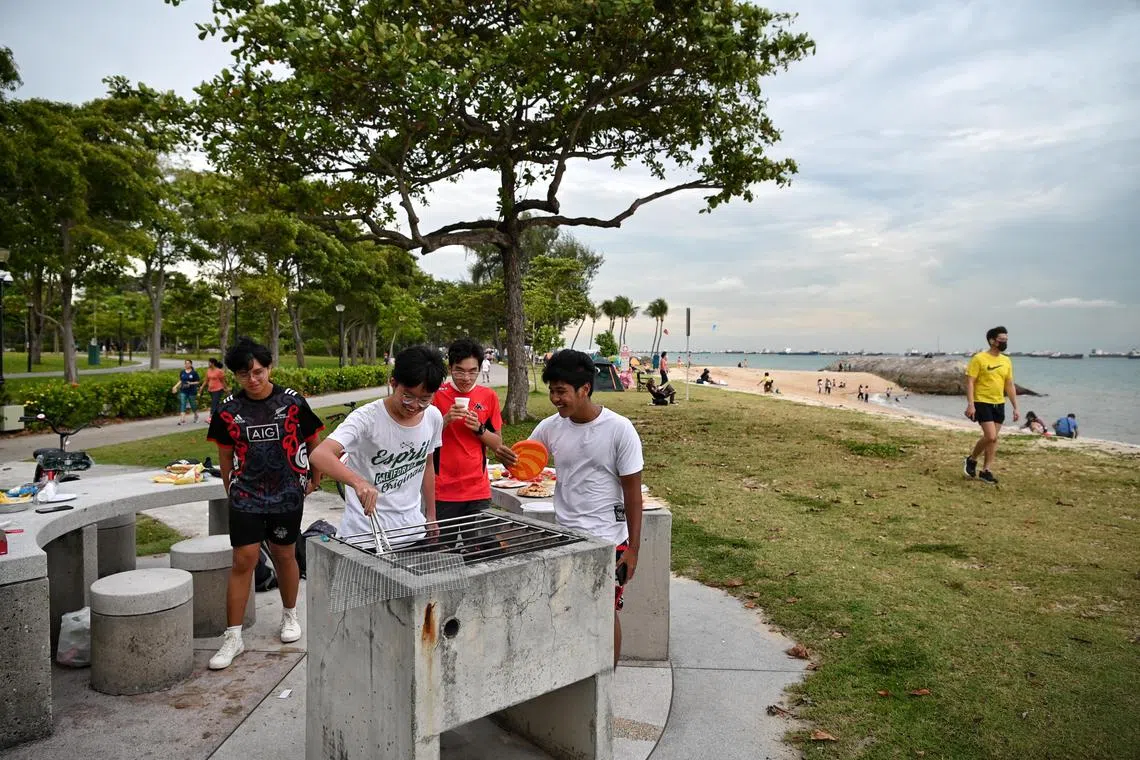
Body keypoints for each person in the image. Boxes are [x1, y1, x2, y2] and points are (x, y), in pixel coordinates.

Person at [205, 338, 324, 670]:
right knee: (243, 559)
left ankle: (289, 615)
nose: (253, 380)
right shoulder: (227, 409)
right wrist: (229, 484)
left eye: (258, 371)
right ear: (236, 376)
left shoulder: (292, 403)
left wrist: (315, 476)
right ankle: (233, 637)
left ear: (269, 367)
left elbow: (314, 439)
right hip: (247, 495)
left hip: (287, 492)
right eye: (244, 375)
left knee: (285, 553)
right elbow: (225, 453)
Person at [528, 350, 643, 666]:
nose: (555, 398)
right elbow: (525, 461)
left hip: (608, 540)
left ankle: (608, 682)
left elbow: (633, 494)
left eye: (561, 391)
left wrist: (633, 549)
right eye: (552, 390)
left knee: (605, 612)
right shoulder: (551, 427)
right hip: (565, 536)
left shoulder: (619, 429)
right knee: (566, 608)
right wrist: (497, 446)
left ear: (585, 389)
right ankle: (576, 673)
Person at [309, 345, 446, 547]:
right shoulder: (366, 418)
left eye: (424, 399)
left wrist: (431, 515)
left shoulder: (433, 417)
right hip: (366, 536)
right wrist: (358, 482)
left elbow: (427, 464)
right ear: (392, 383)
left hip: (413, 531)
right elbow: (319, 455)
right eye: (407, 396)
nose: (415, 405)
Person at [431, 339, 517, 546]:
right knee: (443, 553)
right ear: (450, 368)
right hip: (443, 490)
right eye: (459, 371)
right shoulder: (436, 395)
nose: (466, 378)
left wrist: (479, 429)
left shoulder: (488, 396)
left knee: (481, 550)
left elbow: (497, 443)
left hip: (477, 490)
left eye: (473, 371)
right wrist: (444, 421)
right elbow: (421, 440)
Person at [964, 326, 1019, 485]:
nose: (1004, 342)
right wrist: (971, 404)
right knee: (990, 436)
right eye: (1002, 339)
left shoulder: (1006, 360)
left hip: (999, 403)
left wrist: (1015, 407)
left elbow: (1009, 385)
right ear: (992, 341)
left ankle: (986, 471)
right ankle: (972, 459)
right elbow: (970, 382)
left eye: (1006, 339)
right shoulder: (979, 358)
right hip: (982, 401)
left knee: (993, 441)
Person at [178, 359, 202, 425]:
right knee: (183, 404)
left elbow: (198, 381)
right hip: (183, 390)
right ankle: (182, 419)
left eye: (188, 363)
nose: (186, 365)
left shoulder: (194, 373)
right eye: (185, 363)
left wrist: (191, 383)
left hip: (191, 391)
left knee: (193, 405)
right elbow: (180, 380)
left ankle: (196, 416)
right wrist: (175, 386)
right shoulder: (182, 372)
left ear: (191, 364)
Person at [204, 358, 226, 423]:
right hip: (210, 390)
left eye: (209, 362)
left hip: (218, 389)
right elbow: (206, 380)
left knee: (214, 403)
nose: (208, 364)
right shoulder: (208, 370)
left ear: (213, 363)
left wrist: (226, 389)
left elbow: (223, 381)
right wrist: (201, 388)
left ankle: (211, 418)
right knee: (216, 404)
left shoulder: (219, 371)